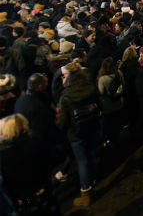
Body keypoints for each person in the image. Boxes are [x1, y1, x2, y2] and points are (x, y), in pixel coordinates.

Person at [57, 67, 101, 207]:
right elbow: (99, 105)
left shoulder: (66, 96)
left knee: (82, 161)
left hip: (76, 134)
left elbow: (63, 122)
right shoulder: (91, 89)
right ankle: (93, 180)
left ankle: (85, 193)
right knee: (91, 154)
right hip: (93, 127)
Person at [0, 114, 58, 215]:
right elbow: (49, 162)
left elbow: (7, 182)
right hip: (44, 190)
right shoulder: (36, 141)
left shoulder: (4, 155)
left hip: (25, 200)